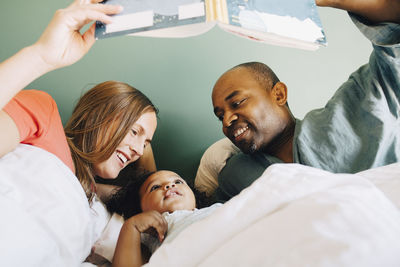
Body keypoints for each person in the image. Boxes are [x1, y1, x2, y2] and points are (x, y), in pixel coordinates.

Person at [211, 0, 400, 201]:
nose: (226, 121)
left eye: (237, 103)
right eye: (220, 115)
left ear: (279, 95)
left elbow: (393, 32)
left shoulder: (355, 106)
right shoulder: (235, 176)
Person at [0, 0, 157, 201]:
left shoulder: (87, 188)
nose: (138, 151)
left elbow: (143, 199)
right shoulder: (43, 112)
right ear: (97, 116)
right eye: (134, 131)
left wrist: (141, 141)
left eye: (145, 145)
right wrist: (42, 57)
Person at [105, 170, 220, 267]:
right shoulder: (150, 235)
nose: (169, 185)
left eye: (178, 182)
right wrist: (132, 226)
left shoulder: (215, 209)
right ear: (140, 209)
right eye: (155, 187)